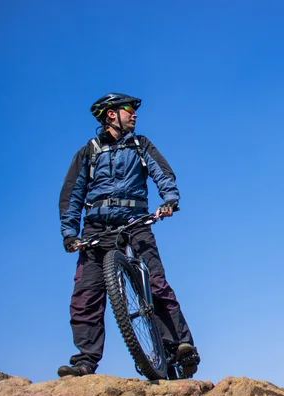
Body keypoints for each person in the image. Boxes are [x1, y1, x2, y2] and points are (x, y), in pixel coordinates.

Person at [57, 92, 200, 378]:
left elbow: (163, 173)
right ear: (111, 114)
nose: (134, 114)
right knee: (85, 297)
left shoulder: (140, 145)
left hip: (136, 223)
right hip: (97, 229)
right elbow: (72, 194)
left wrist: (170, 200)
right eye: (128, 110)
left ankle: (180, 345)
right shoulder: (89, 152)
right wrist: (70, 234)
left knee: (156, 284)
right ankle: (85, 361)